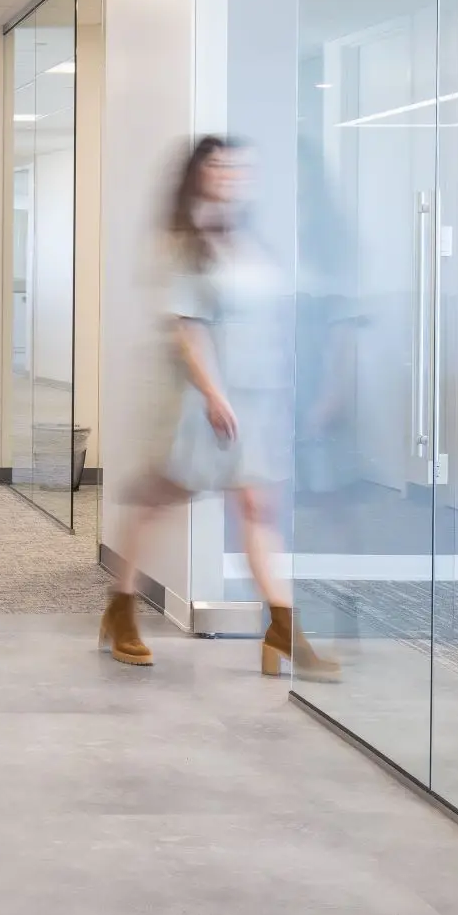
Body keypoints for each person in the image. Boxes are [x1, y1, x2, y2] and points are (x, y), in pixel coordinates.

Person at [101, 137, 337, 681]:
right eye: (218, 166)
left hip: (258, 397)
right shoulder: (187, 241)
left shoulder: (248, 240)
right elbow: (187, 326)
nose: (230, 174)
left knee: (258, 510)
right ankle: (121, 607)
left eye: (237, 166)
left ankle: (284, 632)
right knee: (159, 501)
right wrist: (212, 393)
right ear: (199, 175)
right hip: (204, 399)